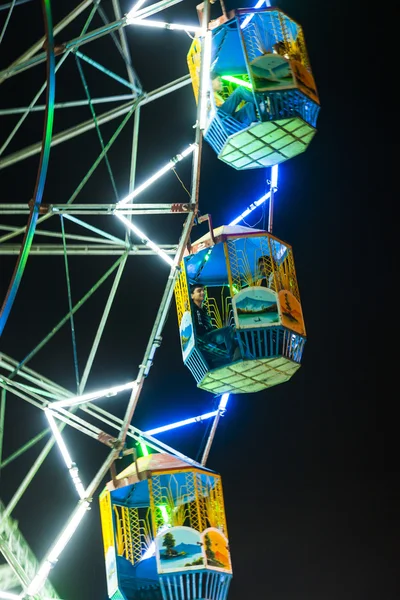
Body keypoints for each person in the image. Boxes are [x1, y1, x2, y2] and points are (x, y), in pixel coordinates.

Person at [190, 283, 238, 358]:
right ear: (192, 296)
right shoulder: (192, 309)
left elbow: (209, 327)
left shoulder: (204, 310)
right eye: (199, 291)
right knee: (227, 330)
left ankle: (247, 356)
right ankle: (232, 356)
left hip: (209, 335)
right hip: (202, 338)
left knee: (236, 337)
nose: (203, 293)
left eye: (203, 290)